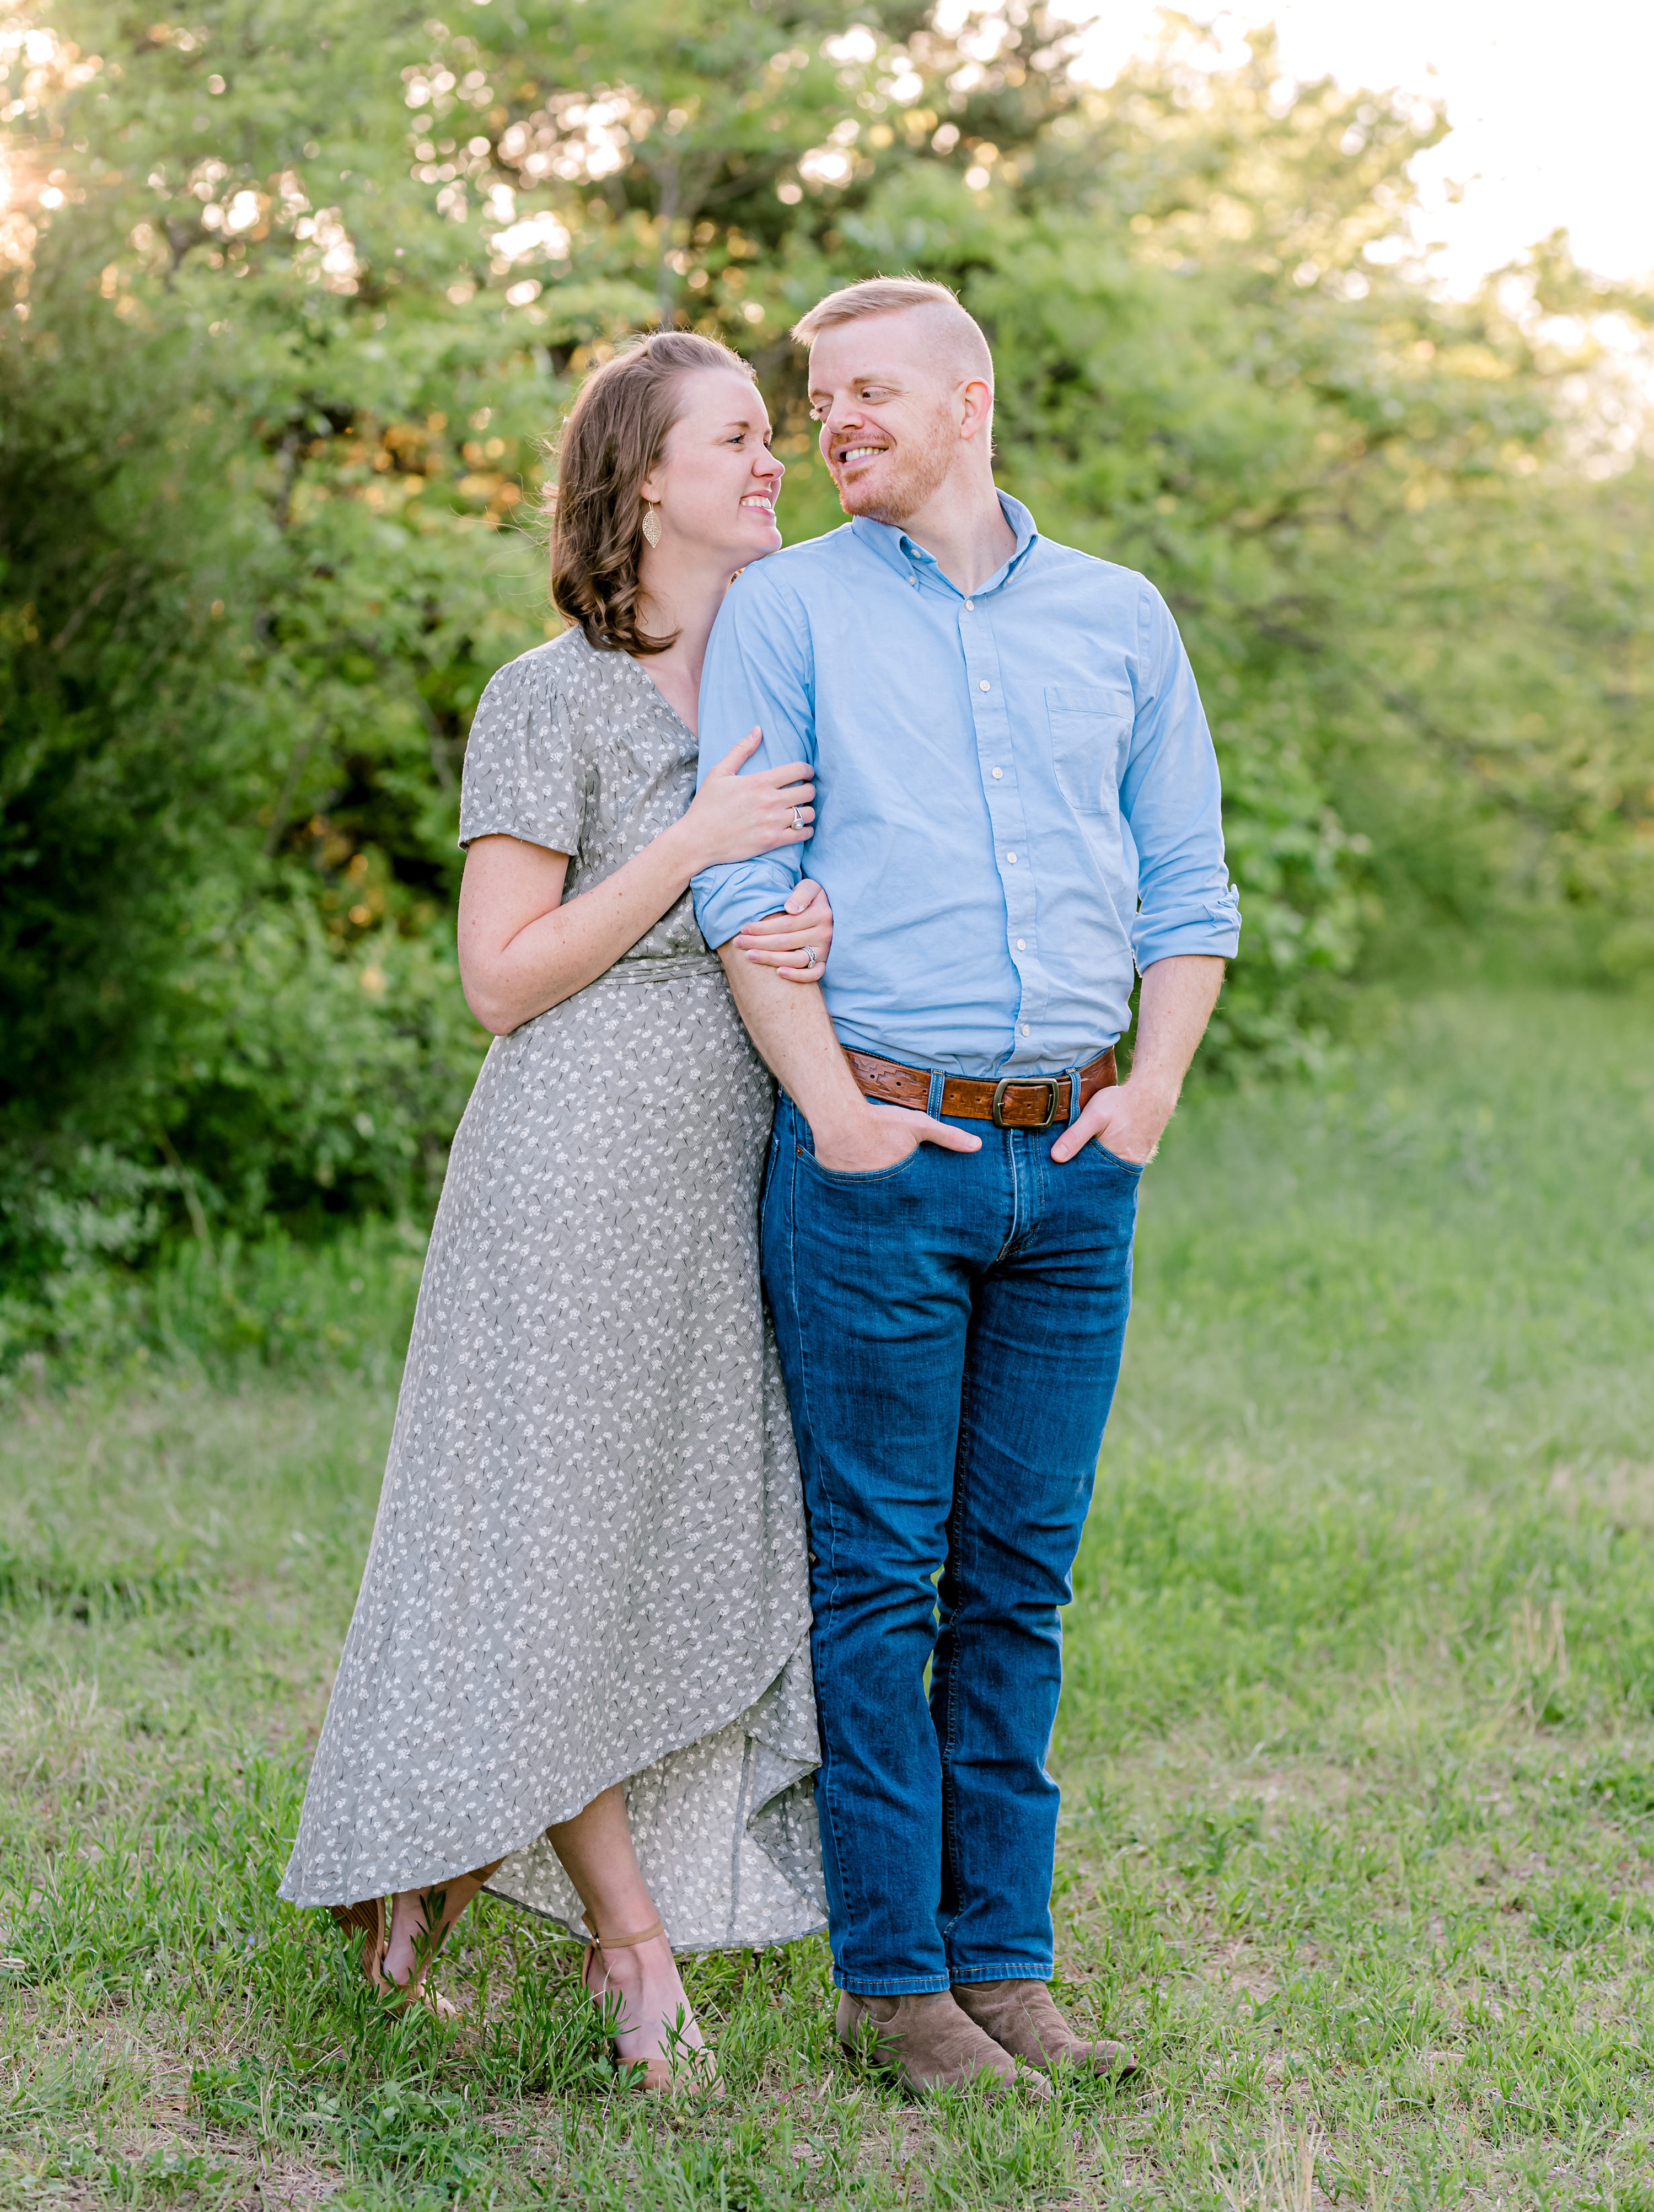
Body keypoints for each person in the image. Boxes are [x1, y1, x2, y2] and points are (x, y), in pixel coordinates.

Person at [690, 276, 1241, 2098]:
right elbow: (743, 891)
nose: (828, 425)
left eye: (859, 396)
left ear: (967, 399)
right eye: (810, 401)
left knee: (1019, 1580)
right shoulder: (788, 614)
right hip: (882, 1162)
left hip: (1078, 1169)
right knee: (881, 1579)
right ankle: (894, 1983)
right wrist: (833, 1109)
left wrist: (1151, 1090)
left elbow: (1186, 884)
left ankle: (1008, 1962)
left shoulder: (1119, 617)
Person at [281, 330, 834, 2091]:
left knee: (683, 1532)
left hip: (738, 1168)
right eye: (741, 438)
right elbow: (501, 981)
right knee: (561, 1546)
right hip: (574, 1168)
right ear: (646, 479)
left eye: (775, 436)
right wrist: (688, 850)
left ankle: (442, 1856)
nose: (778, 460)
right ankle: (628, 1944)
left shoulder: (786, 675)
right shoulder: (551, 693)